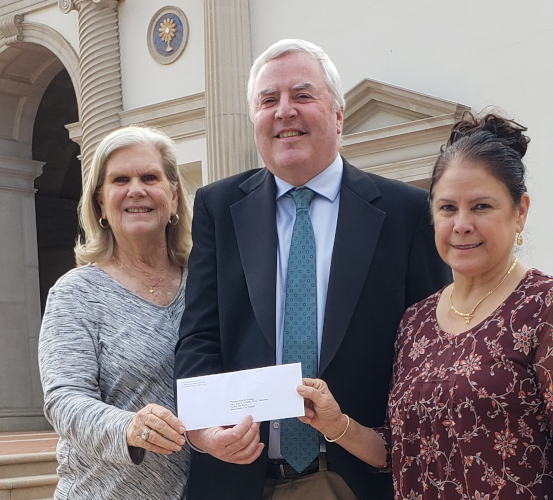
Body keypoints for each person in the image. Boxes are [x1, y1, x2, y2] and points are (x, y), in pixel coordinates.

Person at [173, 39, 451, 500]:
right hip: (239, 479)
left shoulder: (406, 212)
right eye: (268, 101)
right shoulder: (219, 208)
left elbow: (429, 357)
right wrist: (204, 431)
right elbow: (199, 337)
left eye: (302, 95)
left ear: (338, 115)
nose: (284, 111)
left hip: (360, 479)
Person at [297, 112, 553, 499]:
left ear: (520, 211)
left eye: (481, 207)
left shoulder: (551, 308)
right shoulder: (416, 321)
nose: (461, 224)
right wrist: (336, 423)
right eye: (447, 208)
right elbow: (399, 453)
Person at [38, 126, 193, 499]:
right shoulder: (76, 293)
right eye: (120, 179)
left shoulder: (206, 283)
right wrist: (129, 427)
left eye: (150, 177)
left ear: (173, 197)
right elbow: (64, 399)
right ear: (101, 204)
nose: (136, 189)